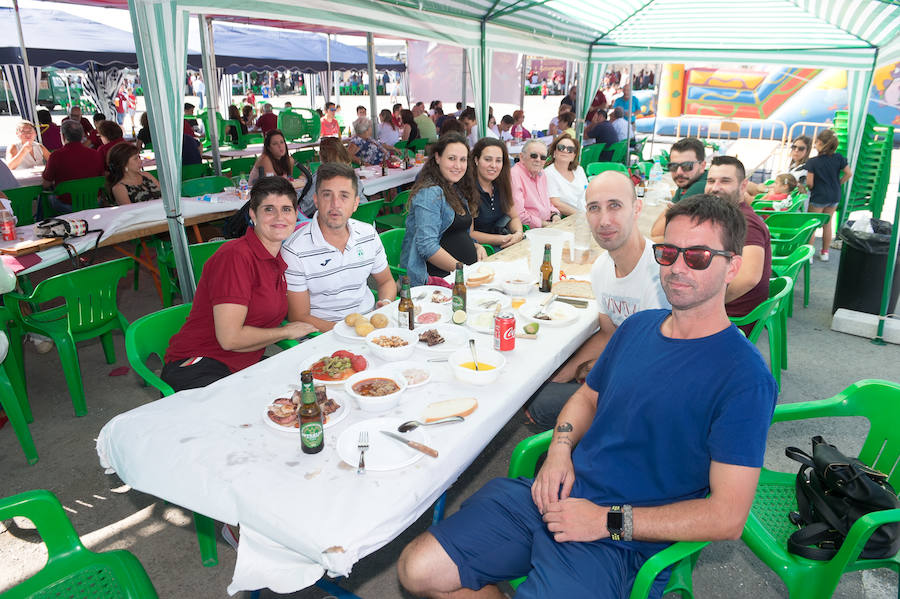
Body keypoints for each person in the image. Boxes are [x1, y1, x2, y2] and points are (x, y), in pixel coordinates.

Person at [398, 192, 776, 599]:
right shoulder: (638, 327)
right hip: (556, 498)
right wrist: (560, 451)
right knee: (416, 570)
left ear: (732, 266)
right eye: (668, 253)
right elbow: (586, 398)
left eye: (698, 257)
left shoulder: (743, 376)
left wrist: (606, 521)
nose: (678, 267)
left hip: (622, 541)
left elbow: (726, 517)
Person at [525, 170, 670, 428]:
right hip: (623, 371)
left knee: (542, 404)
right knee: (538, 389)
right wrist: (564, 373)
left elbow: (655, 365)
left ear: (637, 209)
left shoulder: (659, 275)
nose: (604, 220)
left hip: (650, 394)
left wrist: (593, 371)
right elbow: (607, 334)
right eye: (594, 208)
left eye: (615, 206)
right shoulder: (602, 267)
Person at [162, 177, 317, 392]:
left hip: (242, 366)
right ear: (253, 215)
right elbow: (230, 339)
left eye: (286, 209)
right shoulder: (235, 257)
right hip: (200, 365)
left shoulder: (277, 260)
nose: (279, 217)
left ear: (295, 214)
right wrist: (284, 332)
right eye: (269, 209)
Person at [282, 162, 396, 331]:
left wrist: (385, 303)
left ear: (356, 203)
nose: (335, 204)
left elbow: (386, 281)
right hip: (323, 336)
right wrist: (347, 332)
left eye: (344, 196)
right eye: (327, 195)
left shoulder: (368, 234)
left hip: (369, 328)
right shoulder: (295, 250)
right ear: (316, 200)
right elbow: (298, 316)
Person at [399, 132, 488, 286]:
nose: (458, 166)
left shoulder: (457, 189)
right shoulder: (430, 192)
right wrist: (463, 271)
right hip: (438, 280)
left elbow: (457, 234)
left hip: (460, 275)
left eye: (462, 160)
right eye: (451, 158)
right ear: (438, 158)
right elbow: (427, 247)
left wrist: (476, 246)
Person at [704, 156, 772, 336]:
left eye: (725, 181)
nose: (715, 188)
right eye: (711, 181)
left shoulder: (746, 223)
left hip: (733, 317)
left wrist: (704, 304)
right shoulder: (729, 216)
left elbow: (748, 278)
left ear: (743, 186)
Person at [804, 129, 852, 261]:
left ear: (819, 142)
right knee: (827, 223)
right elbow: (849, 173)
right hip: (834, 195)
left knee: (812, 224)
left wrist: (809, 188)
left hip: (819, 195)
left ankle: (809, 254)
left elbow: (809, 183)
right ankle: (825, 252)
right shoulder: (839, 158)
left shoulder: (813, 162)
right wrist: (838, 183)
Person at [470, 138, 524, 250]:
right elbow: (470, 233)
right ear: (476, 160)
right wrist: (502, 239)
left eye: (498, 161)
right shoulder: (467, 189)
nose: (493, 165)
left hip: (503, 244)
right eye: (488, 159)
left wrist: (518, 233)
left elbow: (513, 217)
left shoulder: (501, 184)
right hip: (481, 250)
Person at [649, 137, 708, 240]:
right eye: (673, 166)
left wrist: (671, 208)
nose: (679, 172)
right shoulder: (687, 182)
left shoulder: (701, 186)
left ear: (702, 166)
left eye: (687, 166)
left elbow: (657, 232)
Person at [41, 121, 104, 211]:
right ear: (82, 136)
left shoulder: (56, 156)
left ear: (62, 136)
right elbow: (101, 178)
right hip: (93, 202)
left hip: (67, 205)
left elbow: (45, 184)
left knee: (45, 197)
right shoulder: (96, 154)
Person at [297, 137, 366, 218]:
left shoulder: (322, 177)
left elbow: (305, 207)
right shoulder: (352, 174)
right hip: (364, 218)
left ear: (321, 155)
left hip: (337, 224)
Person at [511, 140, 560, 229]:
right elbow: (518, 214)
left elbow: (546, 203)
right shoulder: (514, 175)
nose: (538, 159)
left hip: (546, 225)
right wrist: (544, 224)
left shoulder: (542, 173)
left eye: (543, 157)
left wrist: (554, 214)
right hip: (527, 230)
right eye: (534, 155)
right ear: (522, 157)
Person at [746, 135, 811, 199]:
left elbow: (787, 190)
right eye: (794, 147)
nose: (796, 150)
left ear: (807, 151)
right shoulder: (793, 166)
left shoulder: (803, 171)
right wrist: (766, 187)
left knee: (745, 188)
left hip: (778, 197)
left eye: (801, 148)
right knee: (746, 185)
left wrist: (766, 189)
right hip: (775, 193)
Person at [545, 133, 589, 216]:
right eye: (561, 148)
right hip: (569, 217)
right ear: (554, 153)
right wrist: (581, 215)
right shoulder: (549, 173)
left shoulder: (579, 170)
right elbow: (555, 203)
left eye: (570, 149)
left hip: (587, 212)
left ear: (573, 156)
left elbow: (587, 193)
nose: (565, 151)